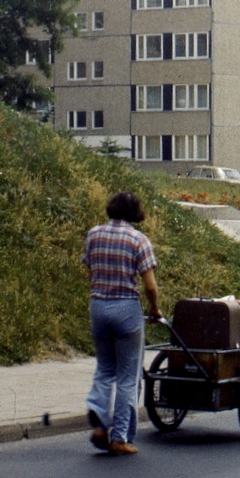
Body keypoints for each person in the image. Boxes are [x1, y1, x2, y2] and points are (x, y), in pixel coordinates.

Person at [82, 191, 162, 455]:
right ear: (134, 212)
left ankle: (99, 419)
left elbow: (90, 270)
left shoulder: (94, 234)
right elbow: (150, 286)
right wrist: (154, 309)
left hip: (98, 305)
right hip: (126, 307)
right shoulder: (139, 240)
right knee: (128, 377)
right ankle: (120, 437)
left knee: (105, 369)